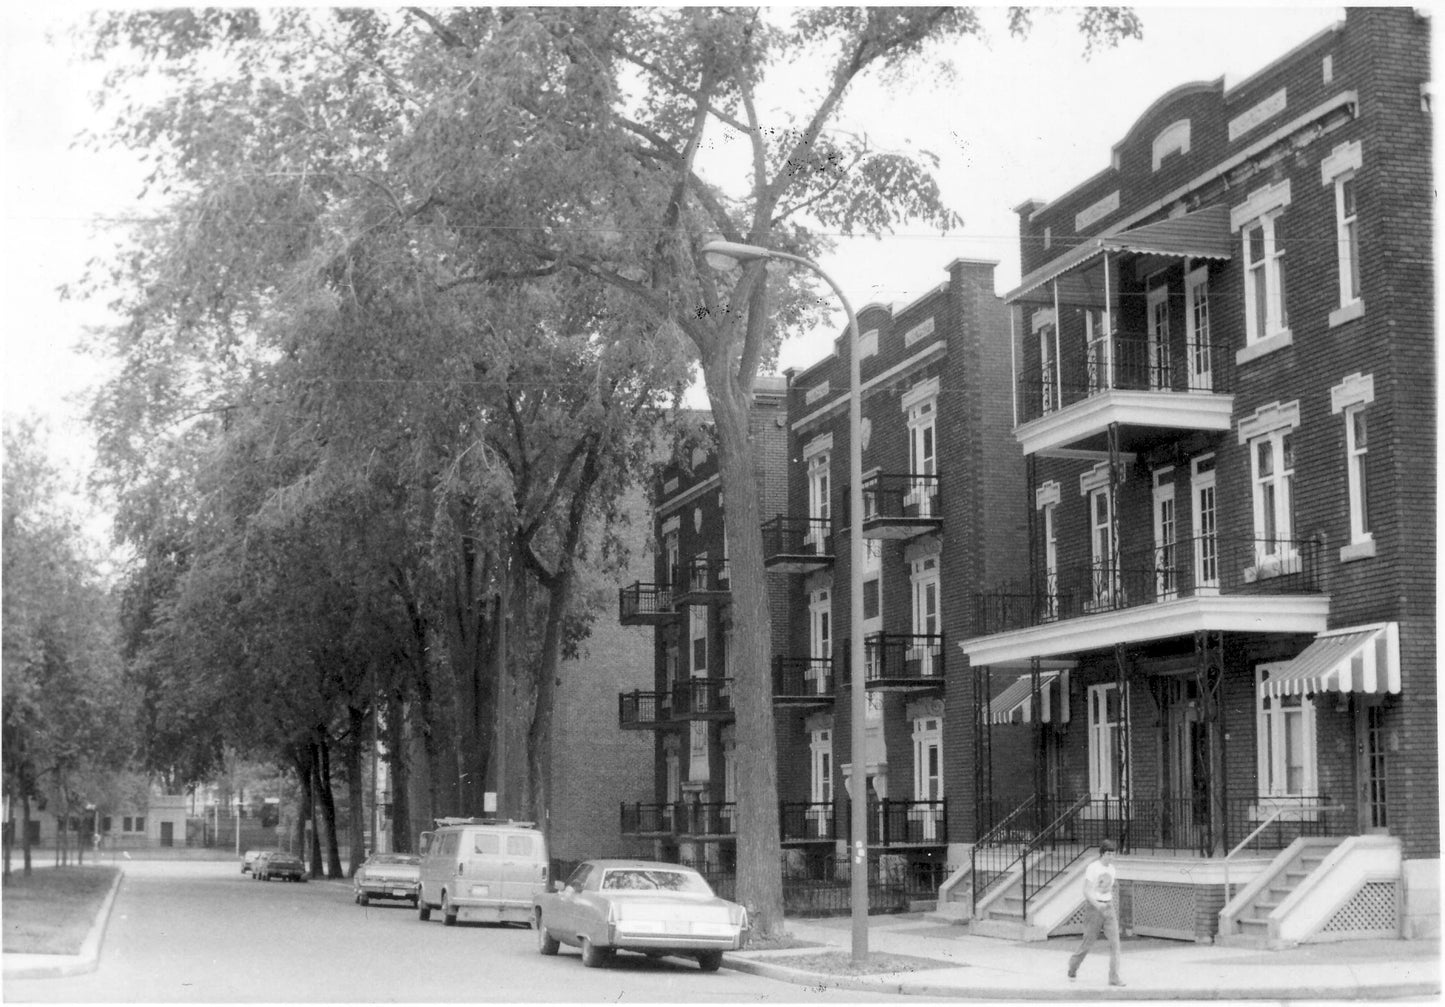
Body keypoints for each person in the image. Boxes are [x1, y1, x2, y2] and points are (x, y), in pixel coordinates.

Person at [1067, 838, 1124, 986]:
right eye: (1108, 854)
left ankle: (1114, 977)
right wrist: (1097, 905)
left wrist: (1109, 903)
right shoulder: (1093, 868)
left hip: (1108, 907)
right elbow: (1086, 890)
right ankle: (1073, 965)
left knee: (1115, 943)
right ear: (1102, 853)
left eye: (1113, 854)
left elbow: (1109, 888)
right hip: (1094, 908)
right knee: (1088, 942)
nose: (1111, 857)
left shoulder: (1112, 869)